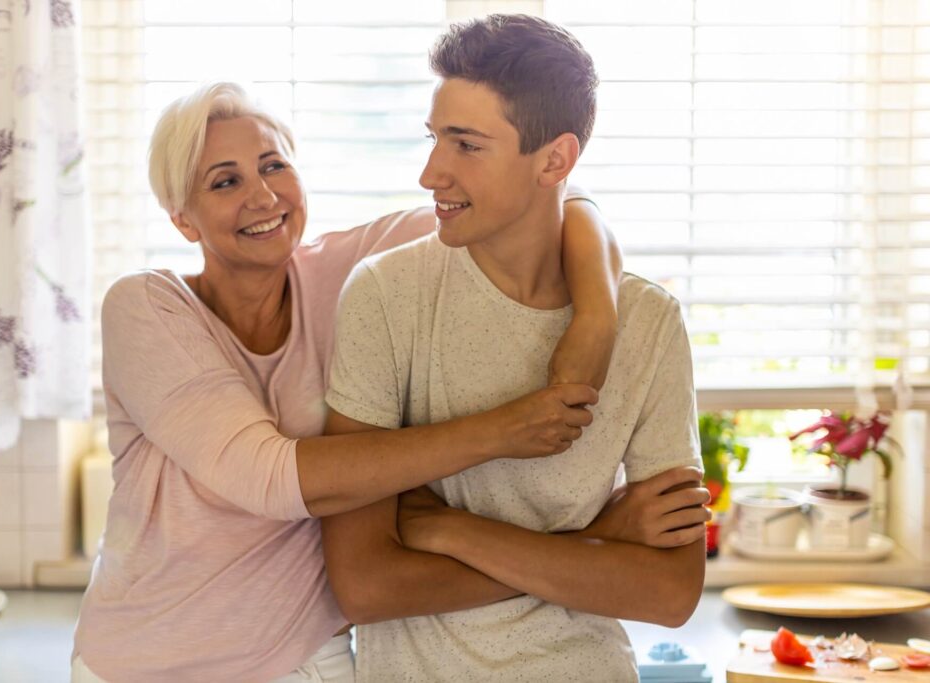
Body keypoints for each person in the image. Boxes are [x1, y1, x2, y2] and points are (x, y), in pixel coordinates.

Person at [70, 80, 628, 682]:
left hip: (310, 657)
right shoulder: (148, 307)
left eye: (273, 166)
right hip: (150, 662)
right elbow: (269, 479)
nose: (262, 196)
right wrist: (505, 436)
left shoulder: (349, 273)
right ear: (184, 220)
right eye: (225, 181)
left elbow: (542, 199)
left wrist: (596, 314)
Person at [321, 14, 707, 681]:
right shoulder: (385, 295)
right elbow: (365, 585)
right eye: (436, 137)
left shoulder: (648, 321)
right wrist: (594, 547)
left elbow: (669, 592)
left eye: (466, 145)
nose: (430, 173)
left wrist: (448, 528)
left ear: (554, 160)